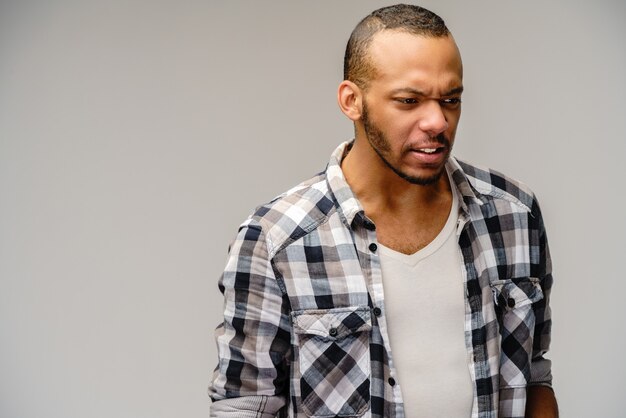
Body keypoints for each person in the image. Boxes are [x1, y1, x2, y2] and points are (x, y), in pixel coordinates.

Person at [209, 4, 557, 417]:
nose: (437, 121)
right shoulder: (276, 240)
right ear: (352, 101)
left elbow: (534, 378)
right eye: (409, 101)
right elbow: (246, 406)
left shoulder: (513, 215)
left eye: (451, 99)